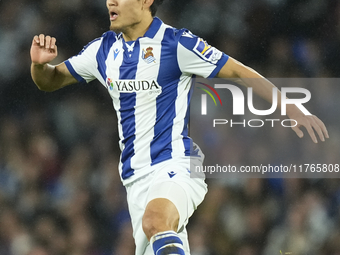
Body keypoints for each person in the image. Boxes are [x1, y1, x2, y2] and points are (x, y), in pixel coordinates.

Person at [30, 0, 329, 254]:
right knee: (158, 231)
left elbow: (237, 70)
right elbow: (49, 81)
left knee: (156, 221)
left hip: (176, 164)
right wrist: (39, 65)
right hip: (135, 181)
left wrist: (290, 106)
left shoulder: (176, 43)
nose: (110, 1)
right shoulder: (102, 51)